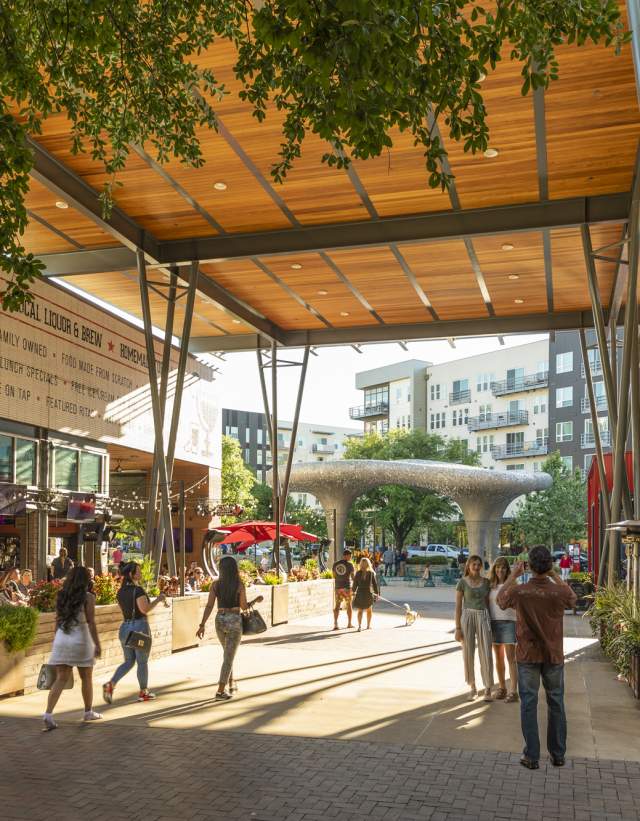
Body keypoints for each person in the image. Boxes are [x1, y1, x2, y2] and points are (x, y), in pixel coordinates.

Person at [498, 546, 577, 770]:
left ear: (529, 566)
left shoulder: (521, 591)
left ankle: (532, 755)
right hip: (553, 654)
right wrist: (554, 575)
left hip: (527, 654)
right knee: (556, 703)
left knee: (529, 704)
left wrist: (512, 576)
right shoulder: (558, 592)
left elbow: (501, 600)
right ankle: (558, 754)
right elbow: (573, 598)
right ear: (549, 565)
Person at [196, 556, 264, 700]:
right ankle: (220, 691)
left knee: (227, 653)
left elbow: (209, 606)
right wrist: (255, 601)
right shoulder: (239, 585)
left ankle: (231, 683)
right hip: (234, 620)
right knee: (228, 656)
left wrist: (202, 625)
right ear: (234, 569)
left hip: (219, 620)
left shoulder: (215, 585)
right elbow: (244, 607)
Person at [43, 566, 102, 730]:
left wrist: (56, 640)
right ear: (85, 580)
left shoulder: (61, 595)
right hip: (80, 640)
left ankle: (48, 713)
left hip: (62, 638)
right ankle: (88, 711)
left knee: (61, 678)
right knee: (86, 677)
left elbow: (57, 620)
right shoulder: (88, 597)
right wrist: (97, 644)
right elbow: (91, 623)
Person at [102, 561, 166, 705]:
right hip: (139, 627)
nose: (141, 573)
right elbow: (144, 609)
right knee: (142, 662)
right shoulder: (138, 591)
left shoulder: (120, 592)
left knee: (129, 661)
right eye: (138, 571)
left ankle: (111, 685)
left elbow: (123, 610)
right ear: (131, 574)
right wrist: (159, 599)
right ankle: (144, 692)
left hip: (125, 627)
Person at [455, 554, 494, 702]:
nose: (476, 567)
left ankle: (488, 688)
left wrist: (491, 622)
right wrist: (458, 627)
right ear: (468, 566)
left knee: (486, 652)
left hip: (483, 616)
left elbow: (488, 603)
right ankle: (473, 687)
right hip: (467, 617)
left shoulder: (486, 583)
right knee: (468, 652)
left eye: (479, 565)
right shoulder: (462, 583)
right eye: (474, 564)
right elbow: (458, 606)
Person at [488, 557, 518, 702]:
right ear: (494, 569)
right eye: (498, 567)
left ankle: (513, 691)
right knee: (498, 658)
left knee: (511, 658)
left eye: (504, 567)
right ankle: (502, 688)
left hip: (509, 622)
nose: (500, 570)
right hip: (493, 622)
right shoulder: (490, 585)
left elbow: (517, 605)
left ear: (507, 570)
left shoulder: (512, 584)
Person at [352, 557, 379, 631]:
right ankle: (368, 625)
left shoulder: (358, 573)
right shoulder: (371, 573)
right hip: (368, 593)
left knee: (360, 610)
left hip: (360, 593)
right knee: (369, 610)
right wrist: (377, 594)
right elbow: (375, 584)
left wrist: (353, 591)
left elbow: (355, 584)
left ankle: (360, 626)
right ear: (368, 564)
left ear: (361, 564)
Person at [332, 548, 355, 630]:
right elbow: (353, 577)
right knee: (349, 605)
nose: (350, 558)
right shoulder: (350, 565)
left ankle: (335, 623)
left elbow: (334, 575)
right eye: (350, 556)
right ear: (347, 556)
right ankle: (349, 623)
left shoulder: (335, 564)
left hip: (338, 588)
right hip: (347, 588)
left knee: (337, 606)